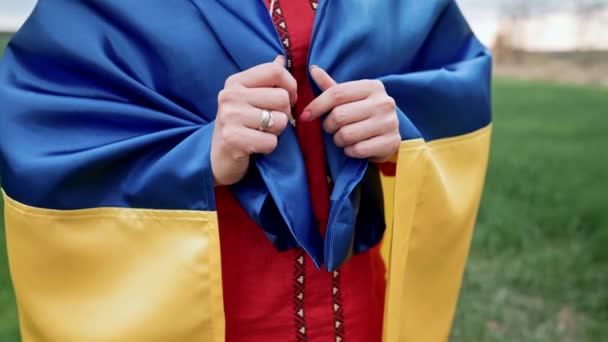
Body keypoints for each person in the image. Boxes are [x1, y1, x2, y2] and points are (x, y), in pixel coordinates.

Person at [0, 0, 492, 341]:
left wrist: (400, 123)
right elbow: (46, 125)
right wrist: (200, 155)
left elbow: (454, 79)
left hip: (358, 304)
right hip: (205, 305)